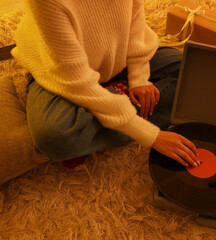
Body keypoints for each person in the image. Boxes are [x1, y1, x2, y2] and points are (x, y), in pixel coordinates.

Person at [11, 0, 200, 168]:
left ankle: (93, 123)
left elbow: (135, 22)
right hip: (58, 71)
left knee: (195, 73)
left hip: (117, 53)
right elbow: (77, 81)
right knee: (53, 137)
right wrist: (152, 136)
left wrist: (139, 78)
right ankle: (110, 104)